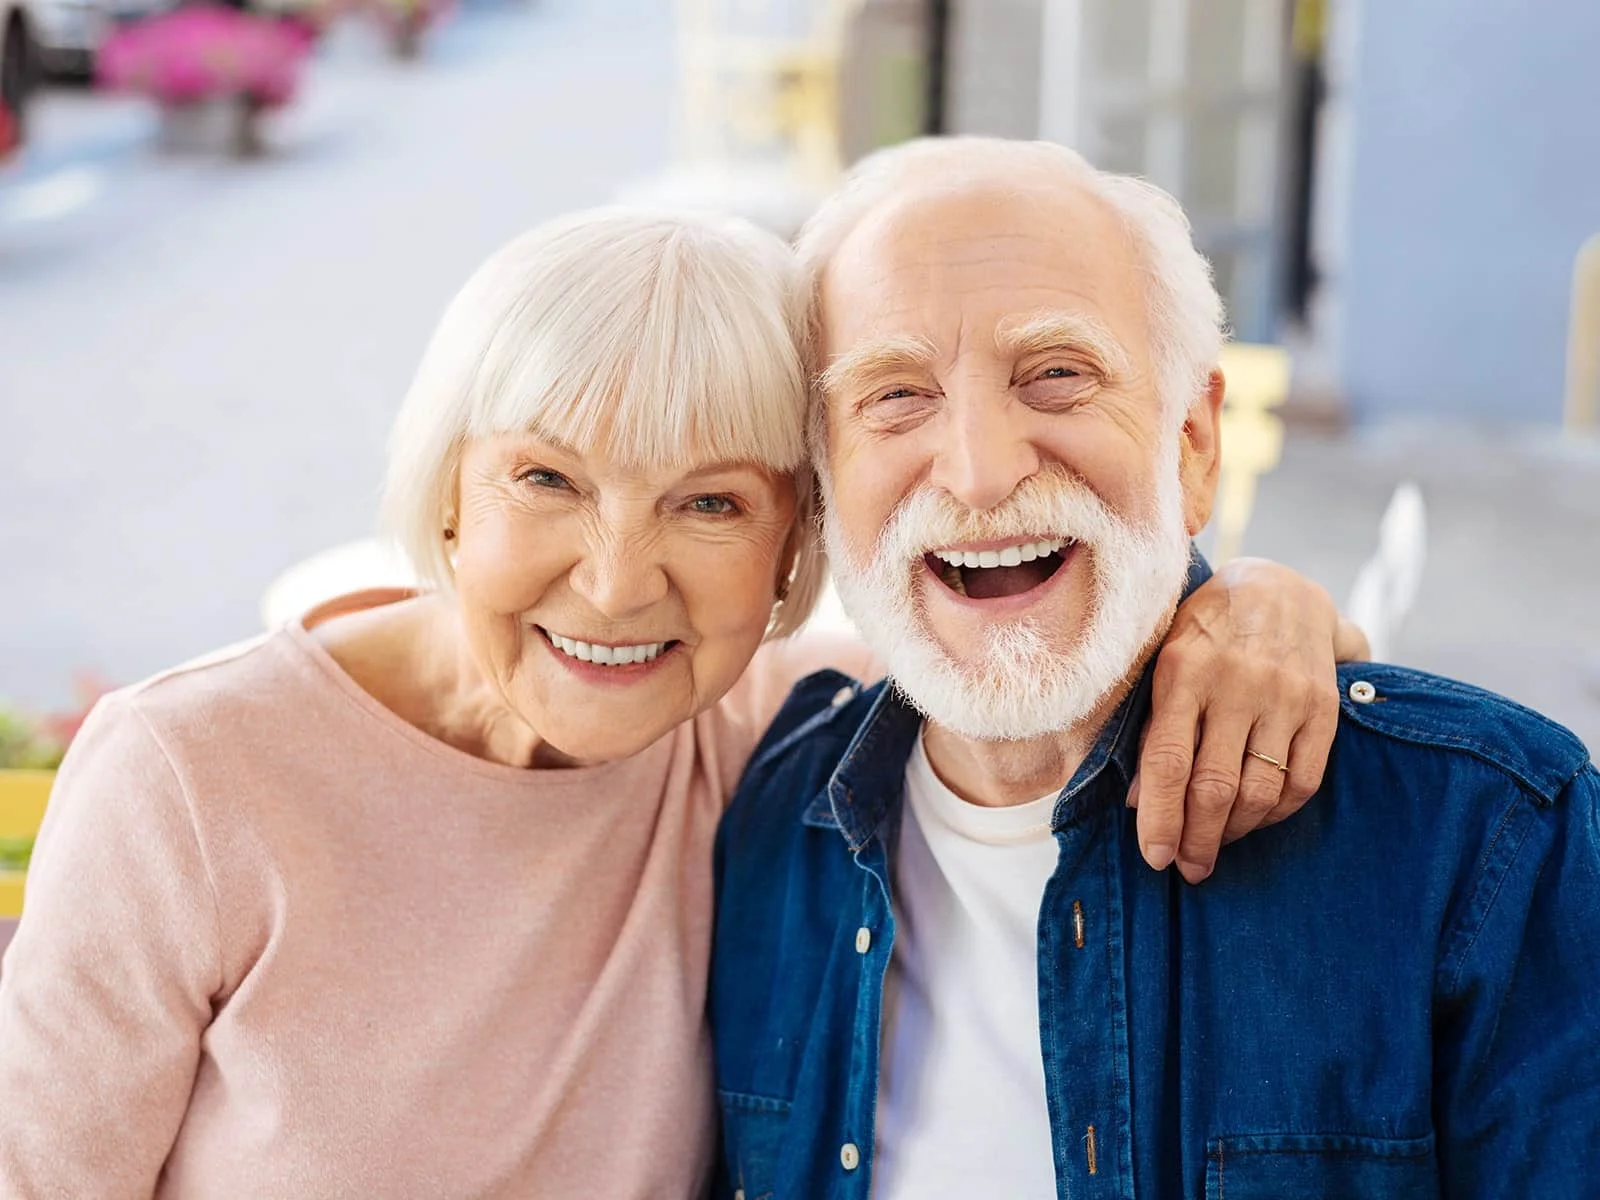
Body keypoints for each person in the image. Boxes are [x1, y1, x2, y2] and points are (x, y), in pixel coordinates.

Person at [0, 207, 1361, 1200]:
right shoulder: (188, 777)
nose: (613, 581)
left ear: (793, 550)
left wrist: (1254, 605)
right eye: (546, 479)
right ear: (448, 492)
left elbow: (1058, 639)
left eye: (709, 502)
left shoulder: (774, 736)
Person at [709, 137, 1600, 1199]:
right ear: (823, 480)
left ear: (1193, 446)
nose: (981, 472)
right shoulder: (762, 815)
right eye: (896, 396)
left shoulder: (1488, 835)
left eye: (1055, 375)